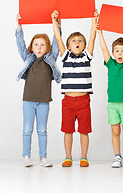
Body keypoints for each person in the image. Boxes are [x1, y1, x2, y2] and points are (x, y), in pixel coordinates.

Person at [52, 9, 98, 167]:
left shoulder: (87, 56)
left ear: (84, 45)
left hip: (84, 100)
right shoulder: (65, 56)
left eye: (80, 41)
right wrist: (56, 23)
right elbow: (58, 39)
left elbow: (93, 37)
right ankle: (68, 157)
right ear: (68, 46)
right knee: (68, 130)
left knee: (84, 131)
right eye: (73, 41)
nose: (77, 42)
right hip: (68, 101)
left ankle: (84, 157)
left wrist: (94, 20)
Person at [15, 14, 62, 167]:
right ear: (32, 47)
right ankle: (27, 156)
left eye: (43, 45)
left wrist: (57, 26)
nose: (39, 47)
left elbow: (56, 44)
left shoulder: (50, 60)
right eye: (36, 44)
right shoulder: (28, 58)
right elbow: (20, 45)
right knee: (27, 129)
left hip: (43, 102)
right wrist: (19, 27)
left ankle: (43, 158)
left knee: (42, 130)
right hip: (28, 100)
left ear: (47, 48)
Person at [96, 22, 123, 168]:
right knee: (115, 131)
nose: (120, 53)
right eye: (117, 51)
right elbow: (103, 48)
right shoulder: (110, 64)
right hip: (112, 104)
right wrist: (100, 33)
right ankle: (117, 156)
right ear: (113, 53)